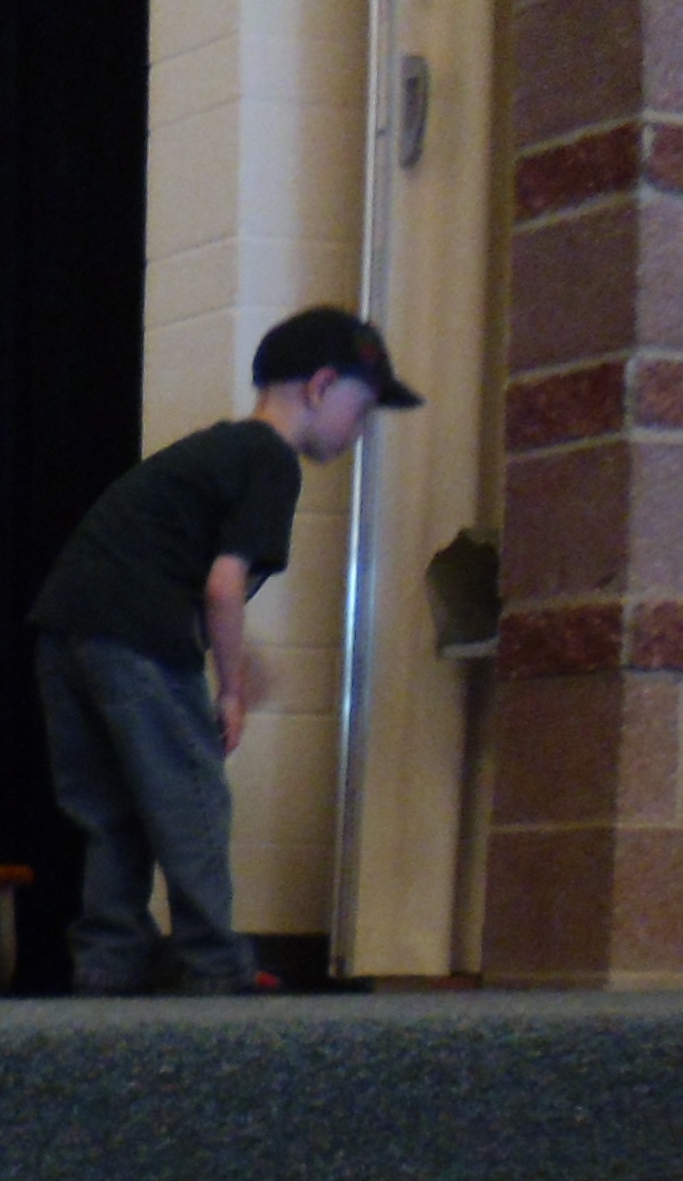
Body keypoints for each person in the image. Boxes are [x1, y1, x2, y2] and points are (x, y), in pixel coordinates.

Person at [29, 304, 422, 994]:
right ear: (321, 386)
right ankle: (214, 963)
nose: (360, 431)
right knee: (193, 799)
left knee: (111, 812)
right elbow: (222, 586)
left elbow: (189, 583)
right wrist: (233, 689)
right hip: (136, 636)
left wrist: (240, 658)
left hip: (65, 629)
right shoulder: (270, 459)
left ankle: (109, 961)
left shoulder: (215, 452)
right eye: (361, 411)